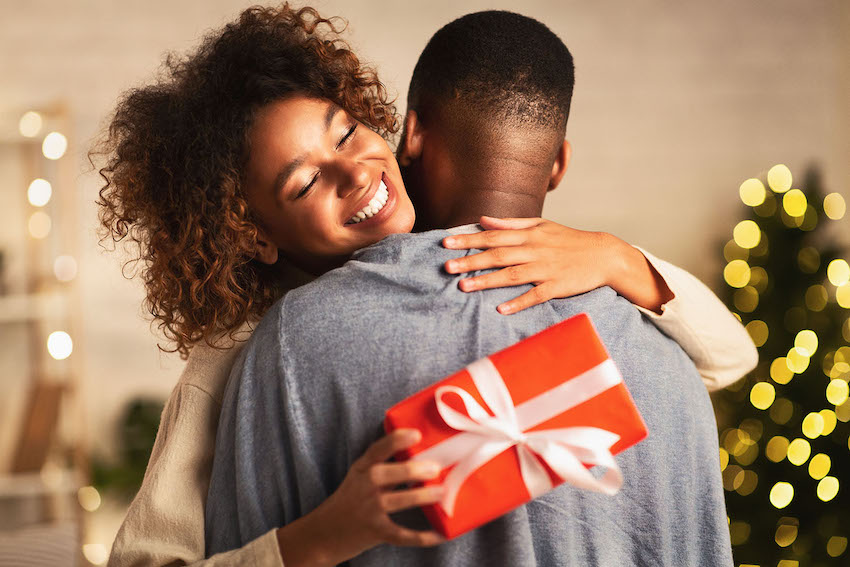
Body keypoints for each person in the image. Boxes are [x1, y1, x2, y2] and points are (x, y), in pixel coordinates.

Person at [99, 5, 754, 567]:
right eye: (303, 182)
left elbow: (729, 355)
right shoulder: (243, 355)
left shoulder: (501, 262)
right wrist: (323, 535)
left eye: (348, 133)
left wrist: (618, 259)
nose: (353, 174)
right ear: (254, 234)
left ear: (400, 133)